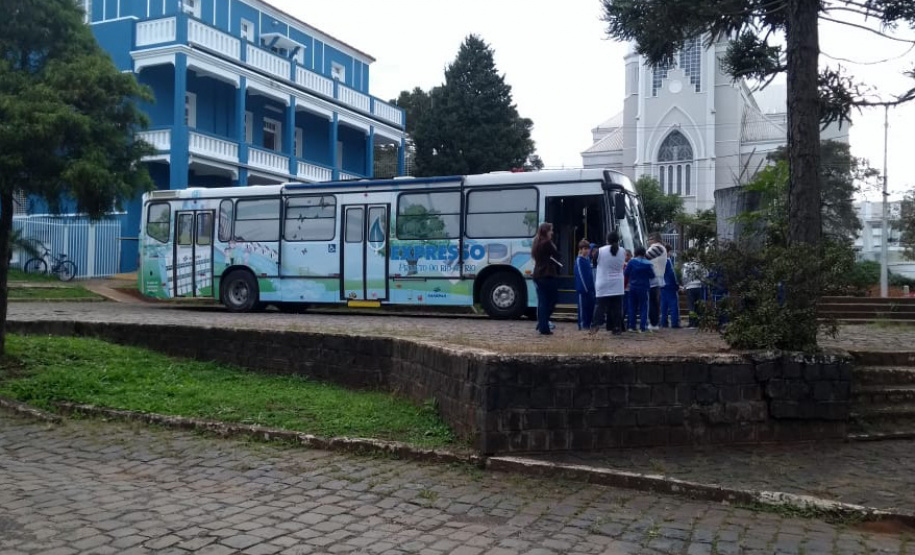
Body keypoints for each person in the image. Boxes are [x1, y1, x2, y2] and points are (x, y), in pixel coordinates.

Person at [590, 232, 626, 335]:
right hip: (618, 283)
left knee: (599, 306)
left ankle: (595, 326)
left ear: (607, 240)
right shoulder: (622, 251)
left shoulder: (600, 251)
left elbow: (594, 263)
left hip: (603, 282)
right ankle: (616, 327)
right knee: (616, 307)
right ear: (618, 240)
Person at [531, 222, 560, 335]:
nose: (552, 232)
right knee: (553, 300)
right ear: (546, 231)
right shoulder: (547, 243)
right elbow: (557, 255)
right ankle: (543, 323)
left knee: (542, 301)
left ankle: (543, 325)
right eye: (550, 230)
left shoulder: (536, 242)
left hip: (537, 275)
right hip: (547, 274)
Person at [624, 246, 655, 332]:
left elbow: (626, 273)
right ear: (644, 254)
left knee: (632, 307)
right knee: (644, 307)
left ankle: (631, 326)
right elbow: (652, 275)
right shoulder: (648, 264)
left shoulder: (631, 262)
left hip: (632, 287)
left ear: (635, 253)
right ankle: (643, 327)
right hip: (644, 288)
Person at [645, 233, 668, 331]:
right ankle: (654, 322)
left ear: (654, 239)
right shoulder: (661, 248)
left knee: (652, 302)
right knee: (654, 301)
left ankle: (654, 323)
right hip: (657, 277)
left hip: (653, 278)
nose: (648, 241)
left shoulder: (657, 247)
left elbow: (645, 257)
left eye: (649, 239)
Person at [574, 239, 596, 331]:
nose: (587, 251)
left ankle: (588, 324)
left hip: (590, 289)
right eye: (584, 249)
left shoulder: (587, 260)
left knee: (590, 307)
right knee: (583, 308)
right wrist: (585, 288)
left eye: (587, 249)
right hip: (583, 290)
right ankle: (582, 325)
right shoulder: (579, 260)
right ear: (580, 249)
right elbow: (581, 275)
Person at [681, 252, 705, 328]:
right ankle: (698, 322)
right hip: (699, 287)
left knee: (691, 306)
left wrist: (684, 286)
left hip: (690, 288)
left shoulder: (686, 266)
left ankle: (692, 323)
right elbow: (705, 274)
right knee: (698, 305)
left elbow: (684, 277)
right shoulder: (700, 265)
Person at [659, 256, 681, 328]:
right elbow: (672, 274)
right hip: (670, 286)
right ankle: (674, 323)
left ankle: (663, 322)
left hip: (662, 285)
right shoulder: (668, 261)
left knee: (663, 306)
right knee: (673, 305)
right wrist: (676, 285)